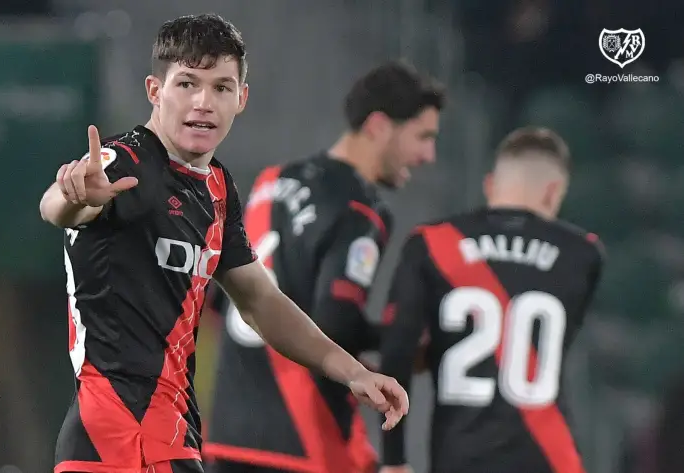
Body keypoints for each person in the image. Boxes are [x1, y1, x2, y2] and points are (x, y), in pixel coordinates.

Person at [38, 14, 409, 473]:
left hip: (174, 440)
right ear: (155, 91)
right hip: (115, 443)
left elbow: (260, 300)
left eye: (221, 88)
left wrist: (353, 371)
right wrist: (73, 196)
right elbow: (58, 207)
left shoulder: (216, 187)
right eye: (188, 84)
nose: (203, 103)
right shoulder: (126, 160)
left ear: (242, 98)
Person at [202, 60, 443, 473]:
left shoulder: (270, 182)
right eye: (422, 137)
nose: (428, 155)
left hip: (229, 434)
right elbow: (337, 322)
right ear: (379, 126)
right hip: (304, 440)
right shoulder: (359, 210)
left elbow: (220, 298)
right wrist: (403, 339)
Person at [379, 127, 605, 473]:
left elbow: (396, 350)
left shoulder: (431, 244)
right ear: (553, 192)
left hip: (459, 457)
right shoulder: (584, 253)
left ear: (489, 185)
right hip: (548, 458)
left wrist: (394, 459)